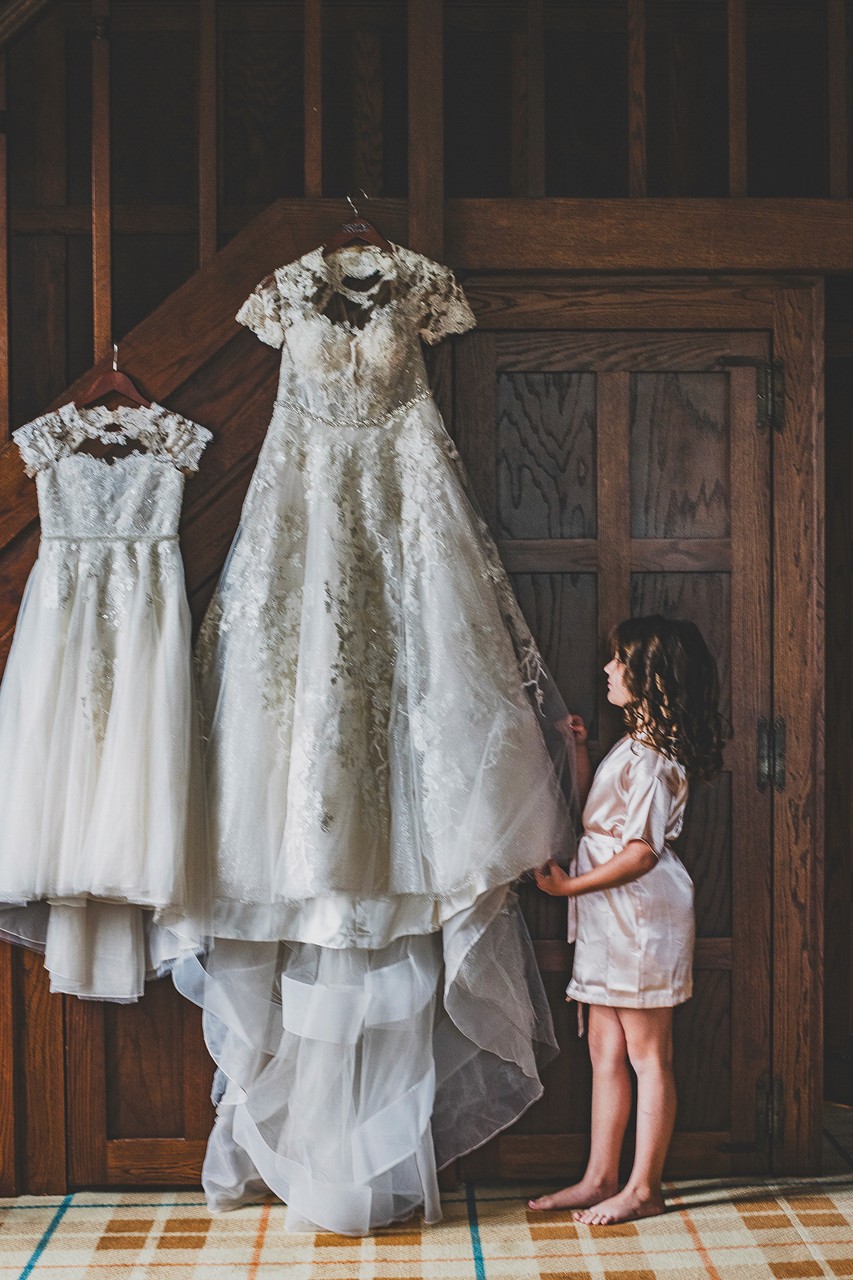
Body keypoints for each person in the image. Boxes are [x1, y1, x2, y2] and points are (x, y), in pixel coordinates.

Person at [528, 615, 724, 1226]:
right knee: (607, 1049)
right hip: (610, 913)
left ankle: (644, 1187)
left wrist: (569, 888)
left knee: (647, 1055)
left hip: (640, 915)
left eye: (619, 662)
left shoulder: (657, 759)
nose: (608, 669)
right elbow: (598, 819)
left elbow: (639, 852)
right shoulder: (632, 747)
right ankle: (599, 1176)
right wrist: (580, 748)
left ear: (649, 677)